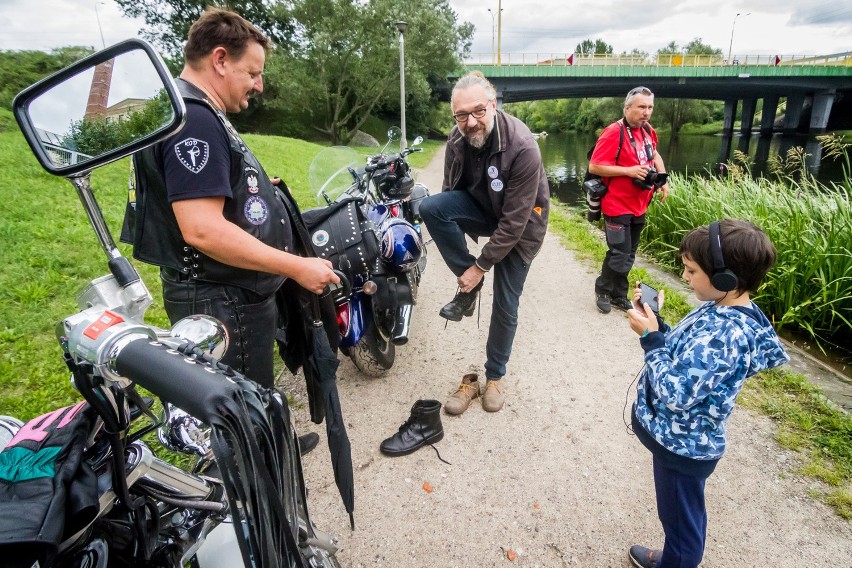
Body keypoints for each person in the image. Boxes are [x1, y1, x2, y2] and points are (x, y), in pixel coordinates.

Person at [121, 8, 338, 451]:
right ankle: (264, 496)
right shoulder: (194, 120)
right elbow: (201, 230)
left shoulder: (188, 109)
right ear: (220, 59)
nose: (258, 84)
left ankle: (271, 447)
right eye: (253, 72)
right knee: (238, 418)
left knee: (253, 399)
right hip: (222, 300)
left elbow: (207, 196)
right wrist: (297, 266)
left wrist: (257, 189)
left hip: (230, 295)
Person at [625, 219, 789, 568]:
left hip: (684, 449)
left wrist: (650, 339)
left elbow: (676, 391)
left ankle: (676, 560)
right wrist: (658, 324)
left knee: (682, 526)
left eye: (691, 270)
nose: (684, 277)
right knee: (680, 516)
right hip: (680, 440)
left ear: (725, 278)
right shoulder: (720, 307)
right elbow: (688, 358)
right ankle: (673, 557)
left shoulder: (726, 336)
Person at [419, 72, 550, 415]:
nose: (471, 122)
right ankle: (469, 288)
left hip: (521, 226)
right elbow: (449, 195)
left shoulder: (523, 147)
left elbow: (514, 223)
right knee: (431, 207)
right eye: (461, 115)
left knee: (506, 303)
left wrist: (481, 267)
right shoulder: (457, 140)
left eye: (478, 111)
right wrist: (465, 264)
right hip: (484, 209)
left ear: (493, 105)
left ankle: (494, 376)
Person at [589, 86, 669, 314]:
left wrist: (662, 180)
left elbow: (654, 154)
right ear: (627, 108)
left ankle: (619, 294)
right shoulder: (614, 132)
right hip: (616, 204)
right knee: (619, 252)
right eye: (641, 107)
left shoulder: (648, 131)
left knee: (630, 252)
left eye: (650, 107)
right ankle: (603, 290)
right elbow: (594, 166)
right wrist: (630, 171)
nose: (646, 112)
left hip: (639, 205)